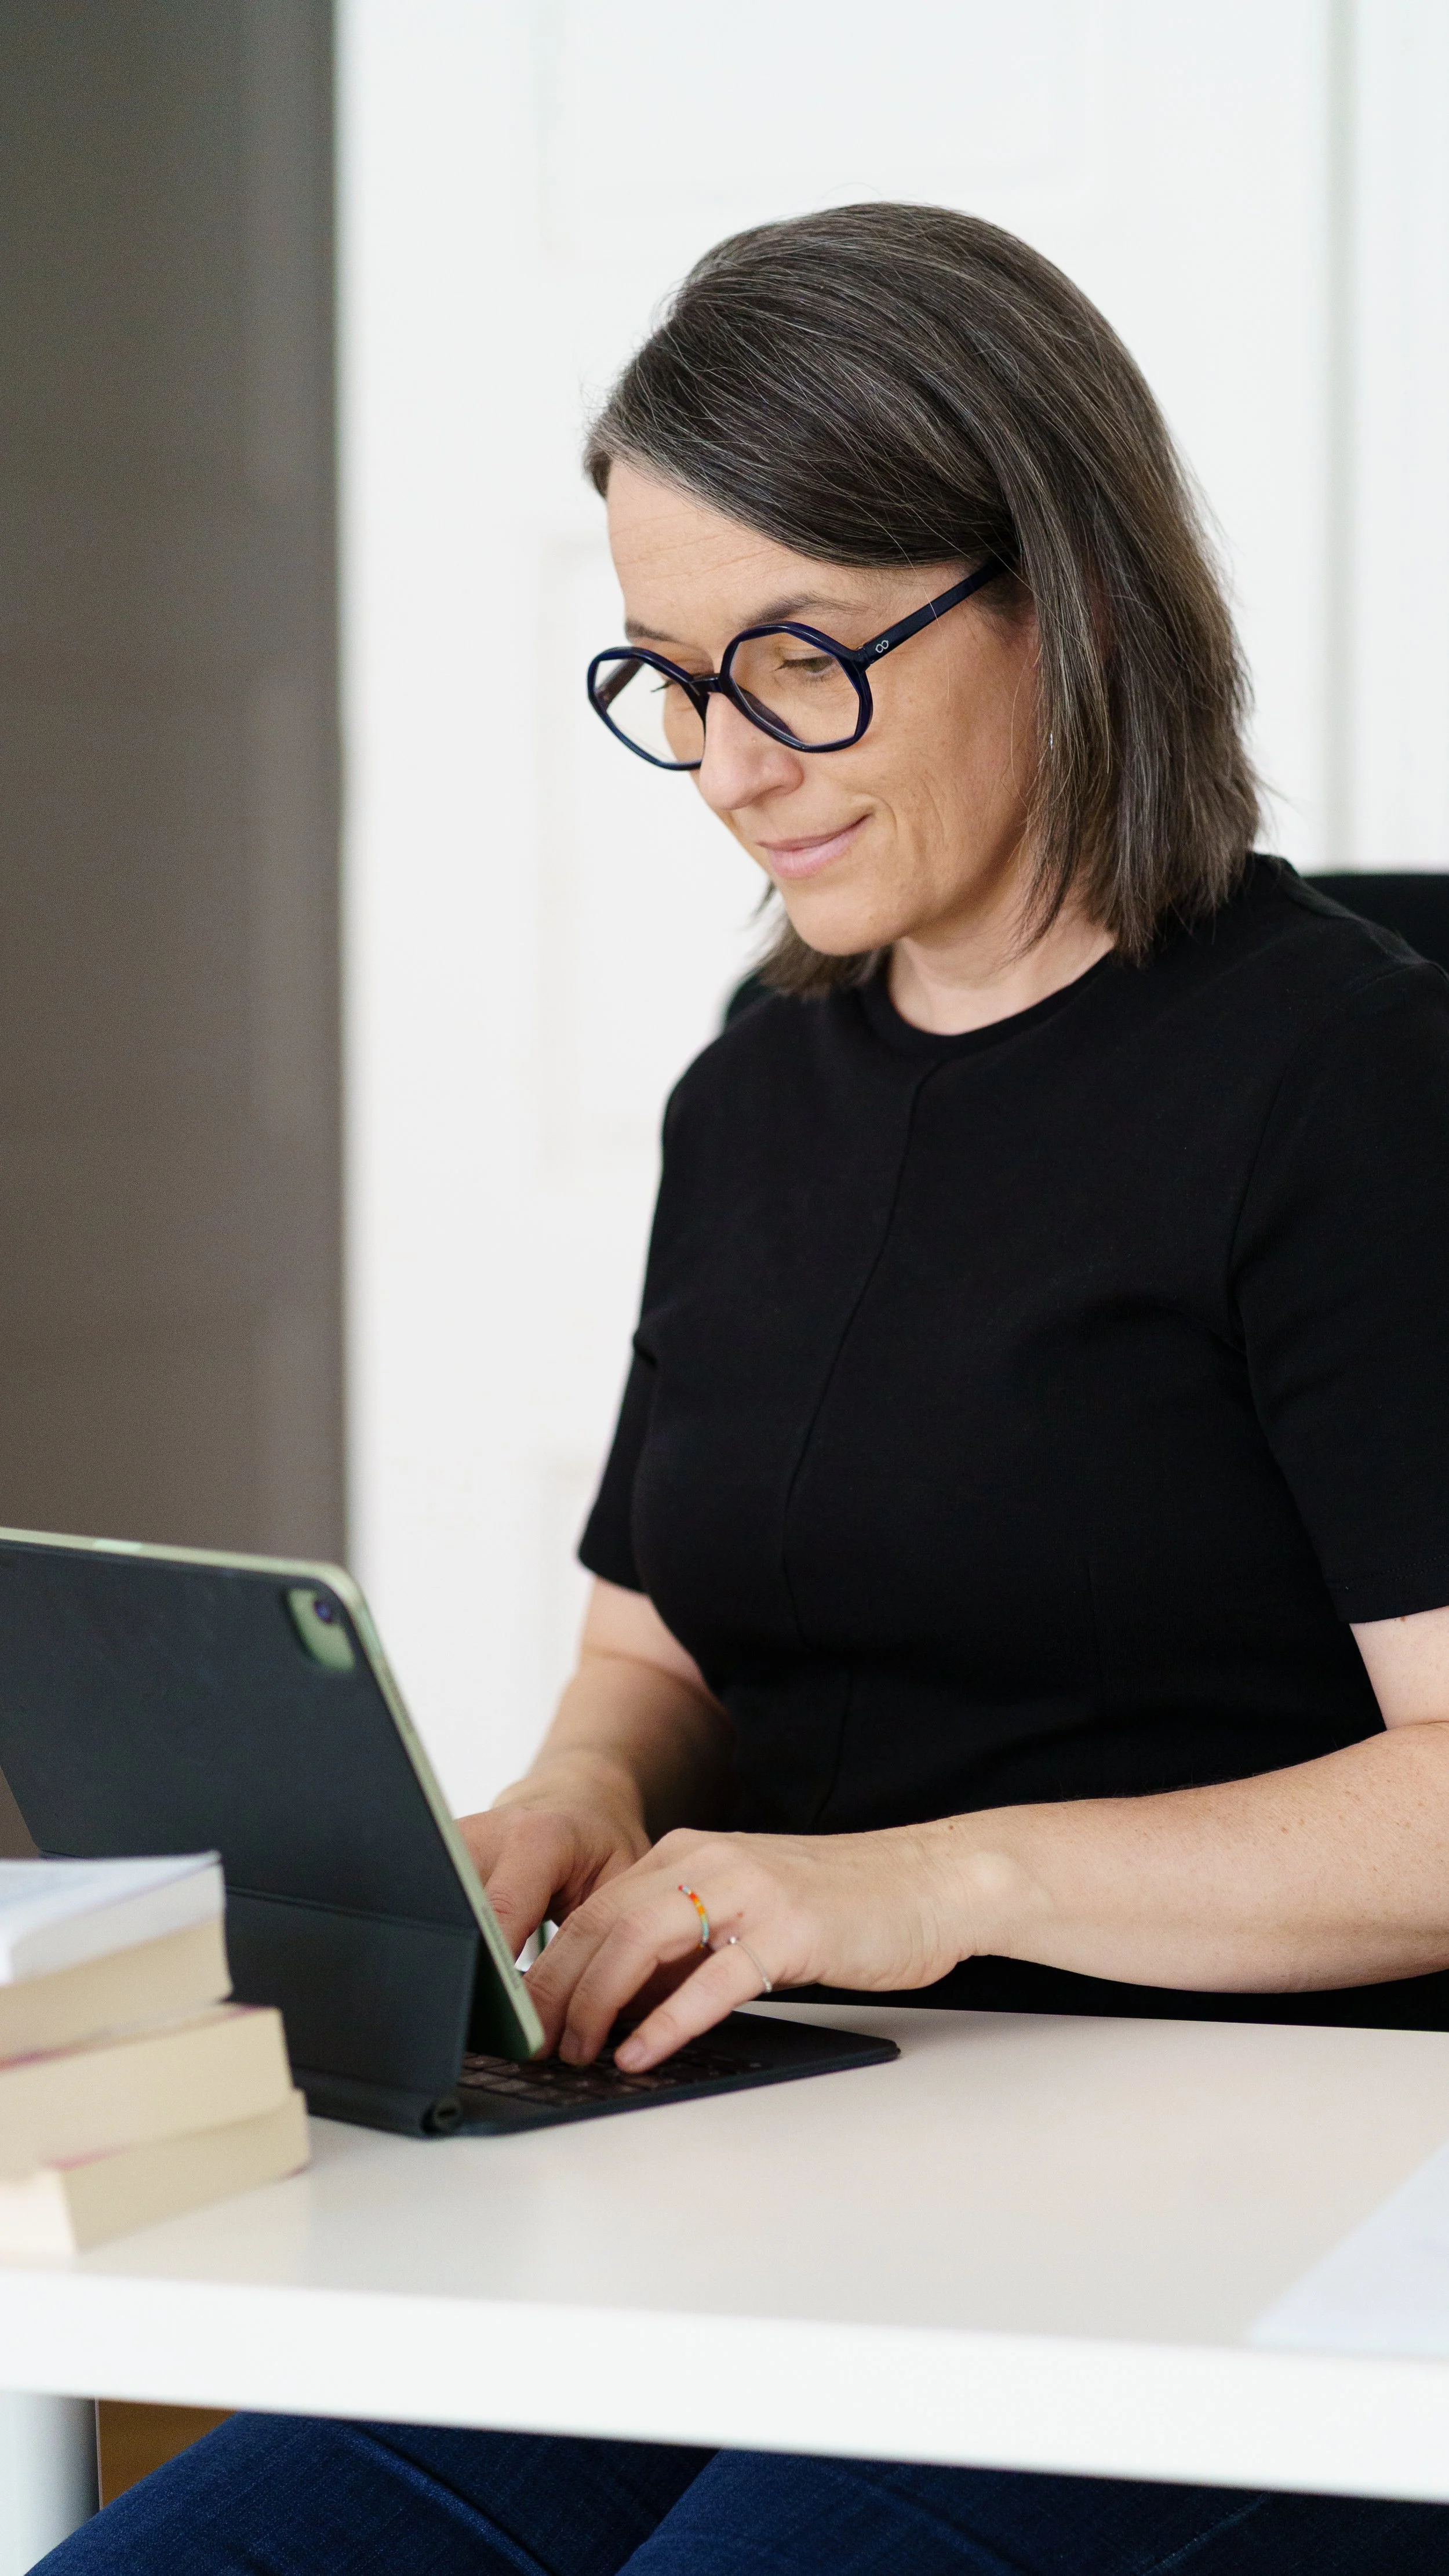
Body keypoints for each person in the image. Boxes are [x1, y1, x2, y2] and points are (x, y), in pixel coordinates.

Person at [47, 204, 1449, 2573]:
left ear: (1058, 593)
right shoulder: (755, 1091)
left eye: (797, 664)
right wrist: (559, 1806)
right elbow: (654, 1646)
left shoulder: (1342, 1085)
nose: (721, 764)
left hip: (1230, 2225)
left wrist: (914, 1886)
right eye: (667, 678)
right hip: (783, 2169)